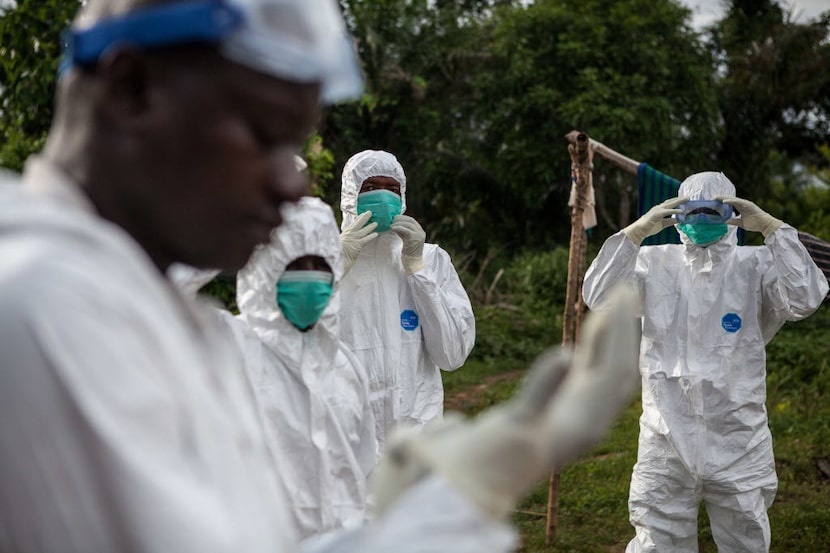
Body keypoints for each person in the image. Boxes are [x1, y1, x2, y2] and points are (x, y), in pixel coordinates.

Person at [0, 0, 642, 551]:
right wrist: (459, 506)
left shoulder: (129, 301)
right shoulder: (43, 304)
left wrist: (466, 491)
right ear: (131, 89)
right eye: (262, 134)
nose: (290, 181)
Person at [582, 171, 829, 553]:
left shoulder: (756, 265)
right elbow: (598, 297)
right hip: (665, 434)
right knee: (656, 538)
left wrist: (773, 230)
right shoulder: (652, 263)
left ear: (730, 213)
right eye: (690, 211)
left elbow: (805, 298)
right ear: (675, 213)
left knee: (745, 538)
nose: (699, 220)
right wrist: (633, 235)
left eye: (710, 211)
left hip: (737, 435)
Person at [235, 196, 378, 539]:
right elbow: (150, 296)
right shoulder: (228, 346)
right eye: (297, 263)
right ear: (264, 266)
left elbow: (365, 472)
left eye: (321, 265)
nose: (312, 279)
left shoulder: (343, 364)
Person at [337, 149, 475, 450]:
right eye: (371, 188)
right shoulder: (321, 262)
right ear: (350, 194)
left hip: (417, 438)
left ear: (403, 197)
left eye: (392, 188)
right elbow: (299, 338)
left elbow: (452, 354)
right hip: (347, 438)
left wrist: (417, 269)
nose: (383, 196)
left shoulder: (431, 259)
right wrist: (335, 265)